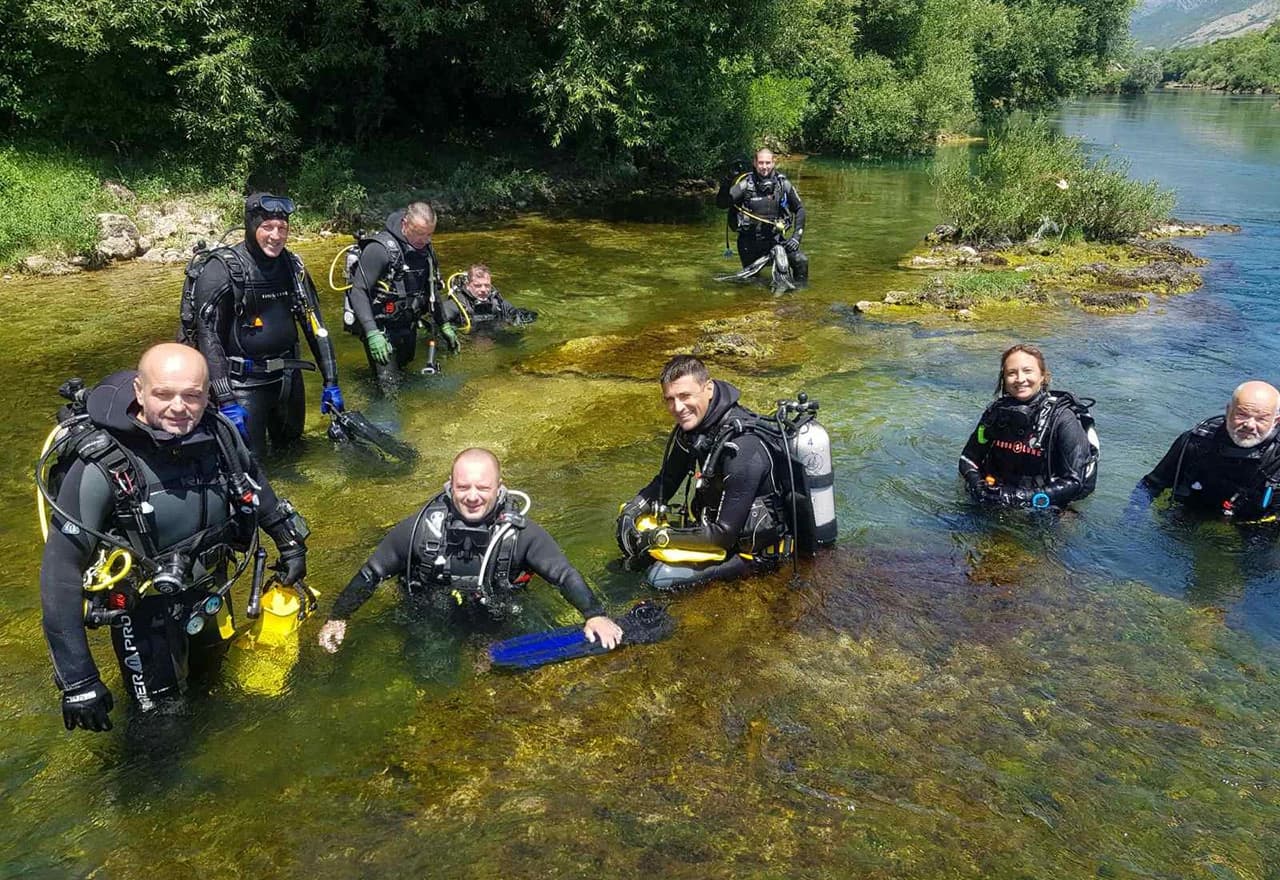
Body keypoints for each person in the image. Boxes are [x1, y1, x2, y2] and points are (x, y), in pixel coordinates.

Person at [39, 344, 311, 732]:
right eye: (163, 394)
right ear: (139, 391)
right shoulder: (102, 465)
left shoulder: (219, 435)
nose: (179, 407)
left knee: (217, 689)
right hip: (145, 614)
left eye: (192, 395)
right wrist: (78, 681)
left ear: (207, 393)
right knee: (162, 726)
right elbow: (59, 571)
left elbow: (254, 483)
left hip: (212, 587)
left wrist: (288, 540)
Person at [316, 448, 621, 652]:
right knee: (432, 673)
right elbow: (372, 573)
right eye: (463, 487)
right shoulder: (419, 529)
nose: (472, 497)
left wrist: (594, 615)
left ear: (499, 487)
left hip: (496, 613)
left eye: (483, 488)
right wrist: (339, 617)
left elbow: (563, 574)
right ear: (450, 486)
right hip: (429, 613)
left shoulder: (520, 534)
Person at [615, 355, 796, 590]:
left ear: (708, 388)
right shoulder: (693, 429)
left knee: (659, 578)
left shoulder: (742, 447)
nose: (678, 408)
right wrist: (632, 511)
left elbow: (724, 534)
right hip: (714, 536)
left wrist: (658, 537)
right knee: (629, 560)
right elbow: (666, 482)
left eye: (685, 396)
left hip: (754, 555)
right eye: (670, 399)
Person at [186, 192, 344, 457]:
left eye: (282, 228)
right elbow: (208, 336)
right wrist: (224, 398)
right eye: (267, 227)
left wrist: (331, 381)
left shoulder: (292, 267)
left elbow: (315, 324)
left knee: (295, 455)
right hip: (244, 386)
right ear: (250, 226)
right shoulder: (222, 269)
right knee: (252, 465)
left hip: (288, 379)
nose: (276, 235)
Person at [958, 344, 1097, 510]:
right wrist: (978, 486)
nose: (1020, 379)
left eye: (1027, 371)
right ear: (1003, 379)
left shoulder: (1063, 418)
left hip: (1046, 504)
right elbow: (968, 459)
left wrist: (1018, 497)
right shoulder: (994, 413)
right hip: (994, 496)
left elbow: (1074, 481)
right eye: (1011, 373)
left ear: (1043, 376)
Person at [1130, 380, 1280, 521]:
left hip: (1255, 524)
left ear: (1276, 421)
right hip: (1192, 510)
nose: (1249, 425)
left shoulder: (1277, 458)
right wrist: (1133, 517)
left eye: (1261, 419)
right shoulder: (1196, 442)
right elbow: (1151, 485)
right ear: (1228, 411)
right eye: (1242, 414)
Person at [344, 202, 444, 390]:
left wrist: (444, 323)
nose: (424, 240)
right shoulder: (379, 249)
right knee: (389, 386)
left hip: (407, 324)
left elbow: (431, 289)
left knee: (405, 376)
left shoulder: (426, 250)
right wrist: (372, 332)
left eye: (429, 234)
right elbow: (358, 291)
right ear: (405, 224)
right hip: (380, 327)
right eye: (419, 233)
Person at [718, 148, 808, 282]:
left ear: (773, 163)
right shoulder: (745, 185)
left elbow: (800, 209)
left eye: (767, 163)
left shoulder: (783, 185)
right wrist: (726, 181)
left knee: (801, 260)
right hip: (749, 244)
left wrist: (796, 237)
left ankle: (802, 297)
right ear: (754, 163)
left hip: (775, 240)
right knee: (753, 284)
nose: (764, 167)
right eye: (761, 163)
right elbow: (722, 204)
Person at [436, 264, 538, 352]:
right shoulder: (454, 305)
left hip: (493, 336)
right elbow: (436, 324)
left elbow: (513, 311)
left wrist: (523, 316)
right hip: (468, 342)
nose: (484, 290)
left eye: (487, 285)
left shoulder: (496, 301)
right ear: (468, 285)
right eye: (478, 286)